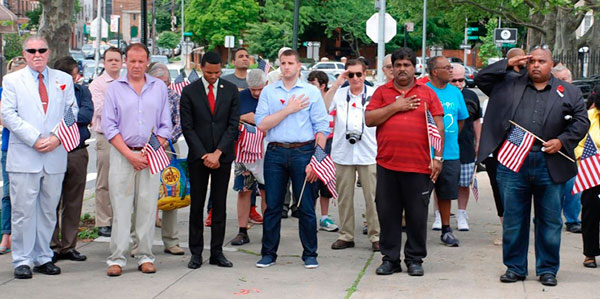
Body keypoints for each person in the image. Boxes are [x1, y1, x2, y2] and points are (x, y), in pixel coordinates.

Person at [476, 46, 589, 286]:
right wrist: (509, 63)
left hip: (551, 161)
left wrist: (563, 141)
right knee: (514, 219)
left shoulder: (568, 91)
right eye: (532, 61)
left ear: (552, 64)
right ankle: (515, 268)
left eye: (541, 61)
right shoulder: (509, 84)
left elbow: (581, 121)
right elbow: (480, 78)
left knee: (550, 220)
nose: (536, 65)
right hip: (513, 162)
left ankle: (547, 269)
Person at [1, 35, 78, 279]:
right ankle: (22, 259)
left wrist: (56, 138)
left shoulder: (63, 79)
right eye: (32, 50)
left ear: (48, 51)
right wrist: (34, 138)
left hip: (55, 153)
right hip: (25, 153)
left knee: (47, 208)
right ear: (24, 54)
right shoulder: (12, 80)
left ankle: (43, 256)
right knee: (23, 210)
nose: (37, 54)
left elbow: (71, 111)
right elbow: (8, 114)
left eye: (42, 50)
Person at [365, 47, 444, 276]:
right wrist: (395, 106)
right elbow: (369, 119)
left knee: (416, 215)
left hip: (419, 166)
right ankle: (390, 259)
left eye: (406, 65)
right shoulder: (382, 92)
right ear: (392, 68)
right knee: (388, 214)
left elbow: (438, 126)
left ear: (414, 68)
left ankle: (414, 259)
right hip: (388, 164)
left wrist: (438, 157)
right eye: (397, 65)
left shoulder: (427, 93)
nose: (401, 69)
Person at [255, 49, 329, 269]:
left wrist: (316, 160)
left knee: (305, 205)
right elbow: (262, 124)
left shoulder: (310, 92)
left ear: (299, 66)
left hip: (303, 152)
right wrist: (288, 110)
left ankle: (310, 254)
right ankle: (268, 253)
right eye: (283, 63)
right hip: (276, 152)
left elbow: (322, 128)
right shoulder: (269, 92)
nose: (286, 67)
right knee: (273, 206)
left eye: (290, 63)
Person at [102, 43, 172, 277]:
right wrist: (130, 154)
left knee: (147, 206)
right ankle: (117, 258)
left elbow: (165, 125)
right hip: (124, 154)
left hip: (150, 155)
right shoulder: (115, 89)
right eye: (132, 61)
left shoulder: (158, 88)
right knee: (121, 207)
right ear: (125, 61)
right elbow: (109, 126)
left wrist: (151, 150)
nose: (136, 65)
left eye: (141, 61)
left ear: (147, 62)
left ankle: (144, 255)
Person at [180, 51, 239, 269]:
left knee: (219, 206)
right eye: (208, 72)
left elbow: (233, 125)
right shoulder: (189, 91)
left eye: (217, 72)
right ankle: (196, 253)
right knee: (196, 206)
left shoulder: (231, 90)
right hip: (198, 157)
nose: (213, 76)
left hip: (222, 157)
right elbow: (188, 126)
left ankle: (217, 252)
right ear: (201, 68)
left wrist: (218, 153)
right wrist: (204, 153)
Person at [324, 59, 380, 251]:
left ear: (365, 74)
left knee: (372, 197)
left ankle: (376, 235)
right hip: (343, 152)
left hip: (369, 152)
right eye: (350, 74)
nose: (354, 78)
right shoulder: (339, 94)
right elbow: (323, 109)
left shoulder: (375, 94)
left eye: (358, 74)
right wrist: (337, 83)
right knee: (344, 197)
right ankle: (346, 235)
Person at [50, 57, 94, 262]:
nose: (75, 79)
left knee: (73, 201)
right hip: (53, 150)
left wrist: (66, 117)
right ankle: (51, 246)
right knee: (51, 201)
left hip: (76, 151)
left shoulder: (82, 91)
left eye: (75, 75)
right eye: (72, 75)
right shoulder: (49, 92)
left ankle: (68, 246)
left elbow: (86, 114)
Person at [426, 57, 469, 247]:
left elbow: (461, 119)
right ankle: (416, 230)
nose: (451, 71)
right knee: (420, 195)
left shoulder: (455, 92)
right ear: (435, 71)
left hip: (450, 153)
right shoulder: (424, 90)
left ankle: (446, 229)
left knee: (445, 194)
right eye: (447, 68)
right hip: (424, 154)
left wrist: (447, 138)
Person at [146, 62, 185, 255]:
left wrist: (164, 140)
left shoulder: (175, 97)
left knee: (171, 192)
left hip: (168, 148)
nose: (162, 86)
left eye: (165, 82)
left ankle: (171, 241)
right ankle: (140, 243)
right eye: (158, 82)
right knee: (144, 195)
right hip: (145, 149)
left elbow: (180, 123)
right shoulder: (141, 96)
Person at [231, 69, 268, 246]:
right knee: (243, 191)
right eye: (253, 89)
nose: (256, 93)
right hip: (244, 151)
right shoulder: (240, 97)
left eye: (259, 89)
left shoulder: (272, 96)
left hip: (267, 149)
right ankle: (242, 230)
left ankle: (269, 231)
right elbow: (228, 119)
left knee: (267, 191)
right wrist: (243, 117)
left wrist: (262, 121)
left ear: (266, 84)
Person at [89, 47, 123, 238]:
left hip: (127, 138)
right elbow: (102, 110)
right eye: (109, 60)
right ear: (104, 62)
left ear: (122, 62)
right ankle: (103, 221)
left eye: (117, 60)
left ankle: (120, 218)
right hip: (107, 137)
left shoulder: (128, 82)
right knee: (104, 181)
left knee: (124, 181)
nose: (113, 63)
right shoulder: (97, 84)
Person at [450, 63, 482, 231]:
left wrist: (479, 142)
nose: (458, 84)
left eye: (461, 80)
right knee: (443, 182)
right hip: (446, 145)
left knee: (464, 182)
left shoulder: (471, 96)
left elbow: (477, 120)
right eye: (454, 80)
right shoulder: (441, 94)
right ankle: (442, 215)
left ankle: (462, 213)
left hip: (466, 145)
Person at [0, 56, 27, 255]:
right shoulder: (4, 92)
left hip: (33, 148)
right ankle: (6, 235)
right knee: (9, 193)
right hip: (10, 147)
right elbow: (4, 118)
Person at [551, 65, 581, 233]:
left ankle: (572, 220)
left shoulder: (576, 98)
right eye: (560, 80)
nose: (564, 83)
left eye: (566, 79)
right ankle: (544, 217)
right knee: (550, 191)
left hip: (571, 152)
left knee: (572, 189)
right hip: (550, 149)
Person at [307, 70, 339, 232]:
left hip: (329, 144)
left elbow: (327, 105)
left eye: (313, 84)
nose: (310, 87)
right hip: (311, 144)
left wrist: (338, 83)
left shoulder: (331, 100)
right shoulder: (306, 100)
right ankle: (310, 217)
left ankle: (325, 217)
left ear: (322, 86)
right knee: (312, 180)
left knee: (326, 180)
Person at [576, 87, 600, 268]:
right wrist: (589, 158)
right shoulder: (590, 117)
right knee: (591, 213)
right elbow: (577, 143)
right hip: (593, 172)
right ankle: (590, 253)